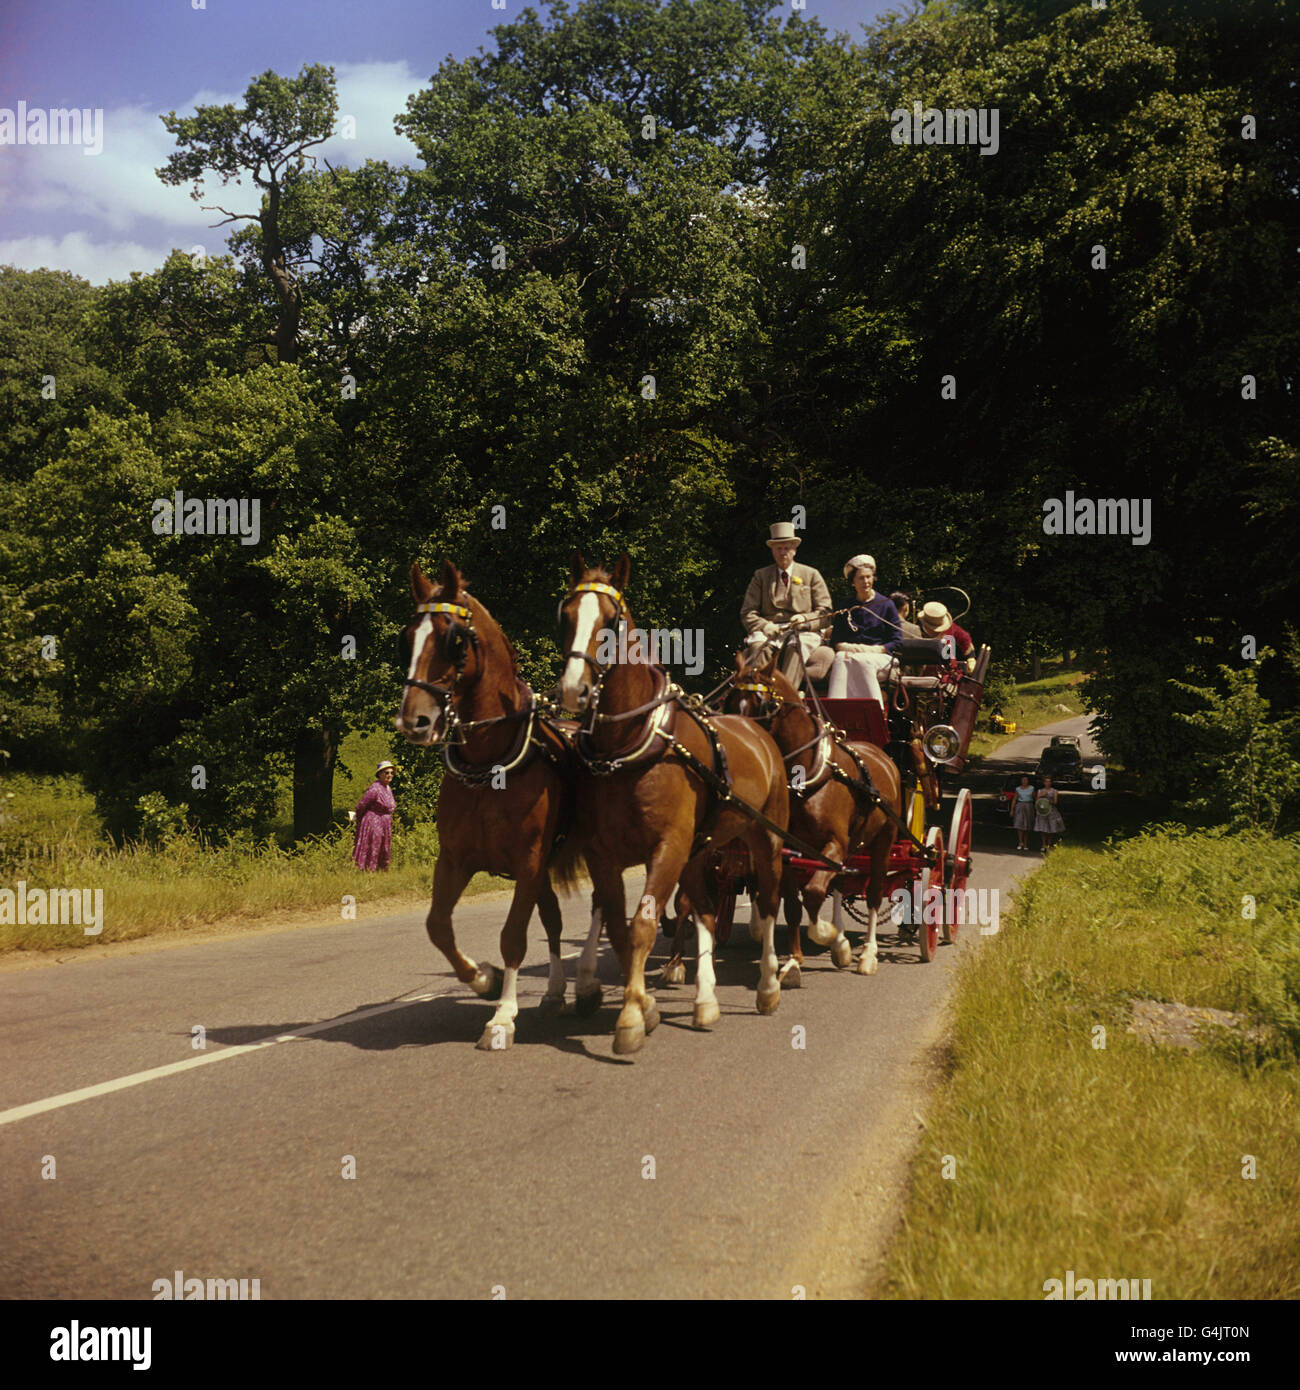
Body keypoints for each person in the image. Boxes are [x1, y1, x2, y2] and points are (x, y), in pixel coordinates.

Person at [740, 521, 833, 688]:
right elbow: (748, 612)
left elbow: (826, 613)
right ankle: (759, 696)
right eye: (778, 548)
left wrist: (805, 618)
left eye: (787, 548)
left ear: (794, 550)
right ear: (772, 551)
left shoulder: (811, 574)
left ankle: (785, 698)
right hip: (769, 630)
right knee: (758, 646)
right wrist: (764, 626)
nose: (783, 552)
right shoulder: (761, 576)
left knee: (797, 644)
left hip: (802, 629)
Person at [827, 554, 903, 706]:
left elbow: (897, 642)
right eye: (861, 578)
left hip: (881, 657)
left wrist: (872, 650)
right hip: (852, 653)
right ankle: (836, 708)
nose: (866, 582)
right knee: (841, 658)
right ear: (853, 582)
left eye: (869, 577)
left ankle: (874, 709)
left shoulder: (886, 604)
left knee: (863, 661)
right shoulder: (846, 605)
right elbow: (835, 640)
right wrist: (849, 647)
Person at [352, 761, 397, 871]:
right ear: (380, 774)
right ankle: (368, 870)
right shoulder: (375, 789)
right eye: (386, 772)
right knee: (373, 844)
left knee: (384, 846)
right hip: (374, 821)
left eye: (391, 773)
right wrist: (360, 819)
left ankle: (380, 870)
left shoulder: (388, 788)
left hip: (385, 822)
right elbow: (361, 805)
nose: (389, 775)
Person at [919, 601, 976, 672]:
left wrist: (970, 658)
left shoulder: (950, 628)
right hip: (923, 673)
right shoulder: (916, 630)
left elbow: (964, 638)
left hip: (948, 672)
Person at [1034, 774, 1065, 853]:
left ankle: (1049, 843)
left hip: (1051, 810)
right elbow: (1036, 801)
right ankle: (1043, 844)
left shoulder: (1054, 791)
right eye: (1046, 782)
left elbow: (1055, 802)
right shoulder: (1040, 791)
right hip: (1042, 811)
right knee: (1043, 827)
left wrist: (1048, 800)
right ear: (1044, 782)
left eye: (1049, 782)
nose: (1047, 783)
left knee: (1051, 828)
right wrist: (1041, 795)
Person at [1012, 773, 1036, 850]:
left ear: (1028, 781)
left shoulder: (1032, 788)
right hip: (1020, 806)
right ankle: (1020, 842)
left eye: (1025, 780)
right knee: (1019, 824)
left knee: (1027, 825)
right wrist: (1012, 809)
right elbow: (1014, 799)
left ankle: (1025, 843)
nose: (1024, 781)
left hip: (1029, 806)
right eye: (1023, 780)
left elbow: (1035, 798)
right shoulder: (1018, 789)